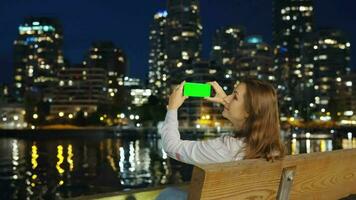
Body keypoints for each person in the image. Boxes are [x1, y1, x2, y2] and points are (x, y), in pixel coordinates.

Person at [160, 78, 285, 165]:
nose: (227, 98)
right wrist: (227, 102)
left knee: (168, 194)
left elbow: (172, 147)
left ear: (248, 112)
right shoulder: (273, 149)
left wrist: (172, 108)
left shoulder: (225, 149)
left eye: (234, 96)